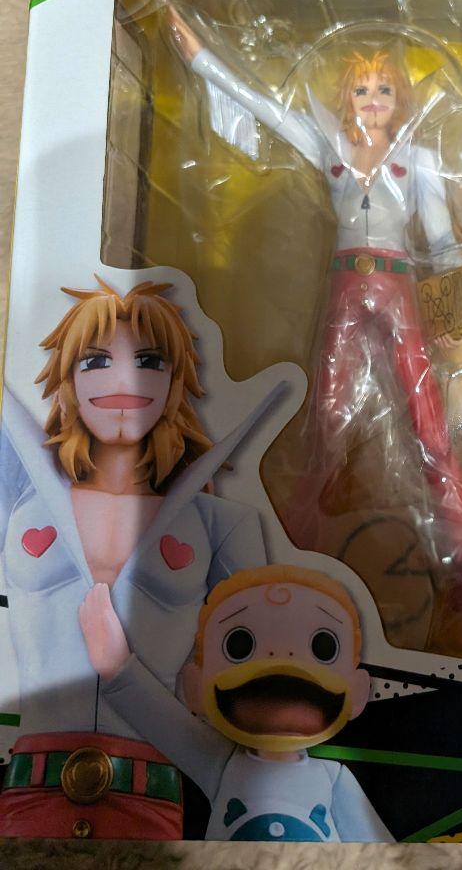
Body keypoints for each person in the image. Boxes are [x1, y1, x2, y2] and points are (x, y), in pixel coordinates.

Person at [168, 8, 462, 646]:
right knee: (328, 425)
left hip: (398, 286)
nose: (371, 98)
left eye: (383, 88)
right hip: (345, 286)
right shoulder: (329, 146)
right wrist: (202, 57)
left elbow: (442, 240)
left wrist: (457, 310)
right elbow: (264, 109)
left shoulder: (418, 157)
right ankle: (284, 552)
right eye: (361, 88)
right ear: (345, 97)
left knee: (430, 425)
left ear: (401, 98)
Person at [0, 279, 276, 839]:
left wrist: (125, 674)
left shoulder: (221, 524)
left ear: (175, 382)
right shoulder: (20, 496)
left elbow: (256, 694)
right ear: (69, 380)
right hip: (28, 787)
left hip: (152, 791)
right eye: (96, 361)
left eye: (149, 361)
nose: (124, 380)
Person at [79, 564, 393, 841]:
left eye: (323, 647)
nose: (281, 663)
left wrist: (117, 668)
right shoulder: (222, 764)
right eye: (239, 645)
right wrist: (117, 666)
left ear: (357, 691)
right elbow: (163, 721)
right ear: (196, 685)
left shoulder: (332, 780)